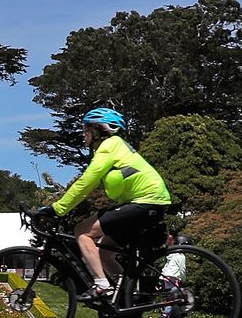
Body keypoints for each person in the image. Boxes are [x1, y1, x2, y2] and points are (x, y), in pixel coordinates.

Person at [37, 108, 173, 301]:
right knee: (103, 254)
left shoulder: (109, 146)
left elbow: (86, 183)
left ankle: (102, 286)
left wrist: (57, 209)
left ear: (98, 131)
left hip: (146, 202)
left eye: (86, 130)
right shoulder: (115, 146)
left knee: (82, 232)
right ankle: (127, 297)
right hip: (146, 203)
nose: (84, 135)